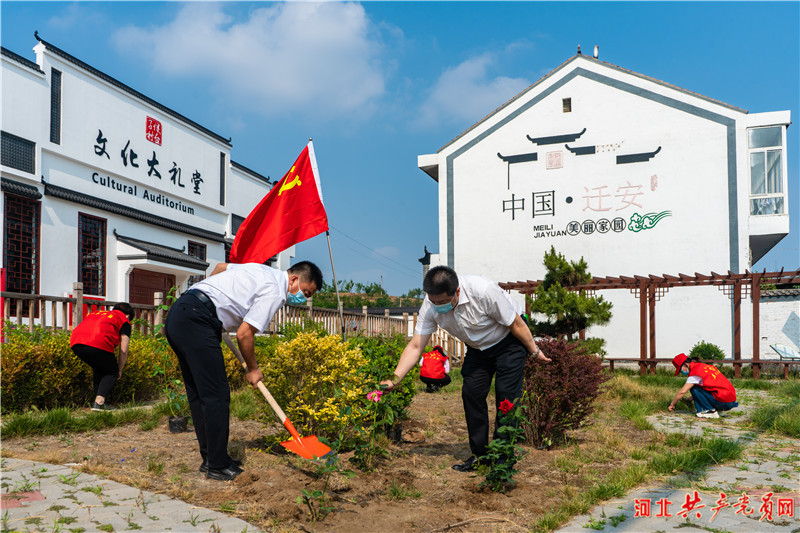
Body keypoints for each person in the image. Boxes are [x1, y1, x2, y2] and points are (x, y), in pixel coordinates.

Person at [381, 265, 550, 472]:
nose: (438, 306)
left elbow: (515, 323)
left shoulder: (483, 291)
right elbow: (416, 346)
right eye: (434, 302)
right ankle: (480, 455)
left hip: (509, 342)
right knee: (471, 394)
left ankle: (502, 460)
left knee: (507, 398)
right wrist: (395, 378)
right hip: (478, 349)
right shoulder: (430, 304)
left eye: (443, 302)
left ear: (457, 291)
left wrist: (534, 351)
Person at [164, 260, 322, 481]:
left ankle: (211, 459)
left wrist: (210, 297)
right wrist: (253, 370)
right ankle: (217, 465)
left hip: (180, 313)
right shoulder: (276, 291)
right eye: (305, 292)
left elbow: (220, 267)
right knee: (217, 396)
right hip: (197, 318)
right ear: (294, 279)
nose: (303, 298)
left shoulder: (260, 270)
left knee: (201, 394)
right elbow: (244, 333)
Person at [70, 302, 135, 411]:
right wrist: (119, 369)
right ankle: (99, 403)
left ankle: (98, 402)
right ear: (128, 316)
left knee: (100, 368)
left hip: (76, 343)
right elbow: (124, 350)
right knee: (111, 371)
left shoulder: (97, 313)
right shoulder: (124, 320)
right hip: (97, 343)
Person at [668, 353, 738, 418]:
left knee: (694, 387)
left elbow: (682, 392)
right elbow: (709, 387)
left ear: (685, 365)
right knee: (697, 387)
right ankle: (717, 410)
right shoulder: (704, 366)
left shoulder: (695, 372)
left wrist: (672, 404)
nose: (682, 372)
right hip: (730, 400)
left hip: (723, 401)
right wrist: (692, 397)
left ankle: (707, 410)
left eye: (680, 370)